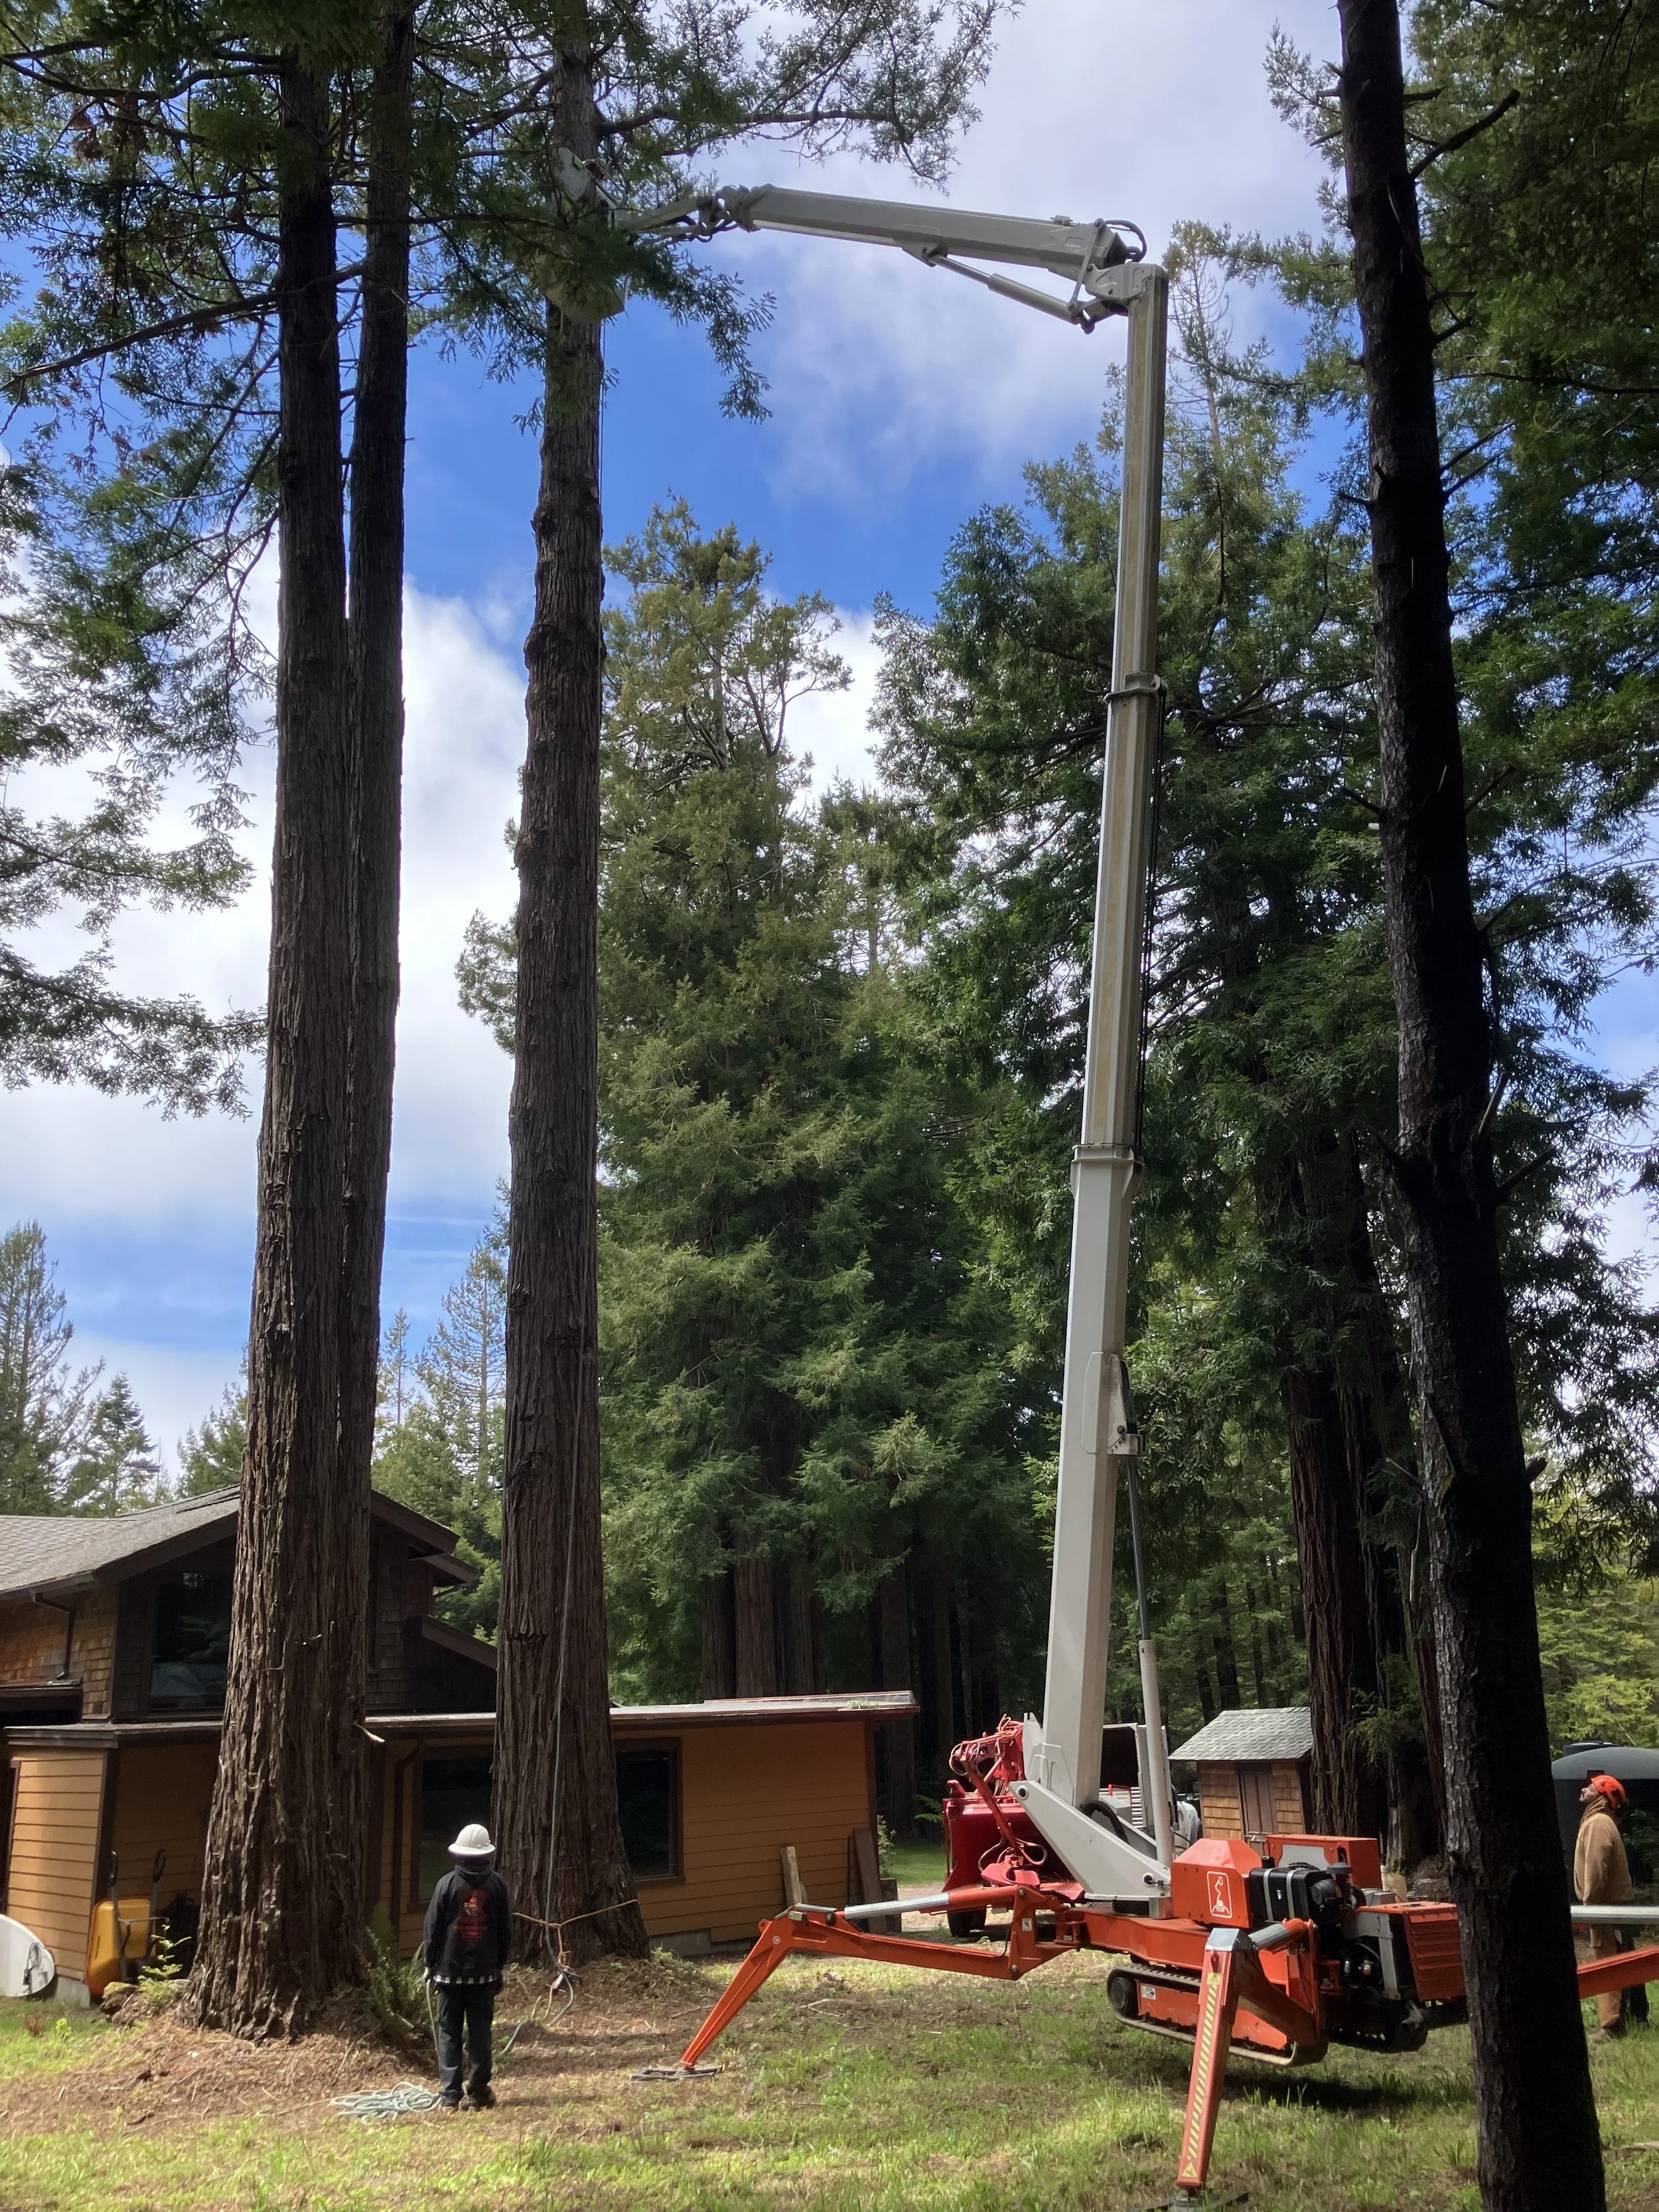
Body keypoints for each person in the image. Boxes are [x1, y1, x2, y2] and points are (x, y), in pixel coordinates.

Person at [422, 1820, 513, 2108]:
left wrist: (429, 1963)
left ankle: (450, 2095)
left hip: (448, 1974)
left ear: (460, 1854)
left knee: (448, 2031)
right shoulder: (497, 1885)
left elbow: (433, 1928)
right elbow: (505, 1931)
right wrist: (499, 1965)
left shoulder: (446, 1885)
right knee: (480, 2031)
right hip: (484, 1974)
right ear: (486, 1855)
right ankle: (478, 2093)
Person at [1574, 1772, 1636, 2041]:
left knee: (1607, 1963)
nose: (1583, 1790)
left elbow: (1596, 1869)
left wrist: (1590, 1905)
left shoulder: (1598, 1823)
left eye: (1590, 1788)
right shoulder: (1598, 1821)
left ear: (1602, 1796)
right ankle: (1632, 2016)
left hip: (1605, 1908)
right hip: (1611, 1907)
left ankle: (1611, 2026)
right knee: (1621, 1961)